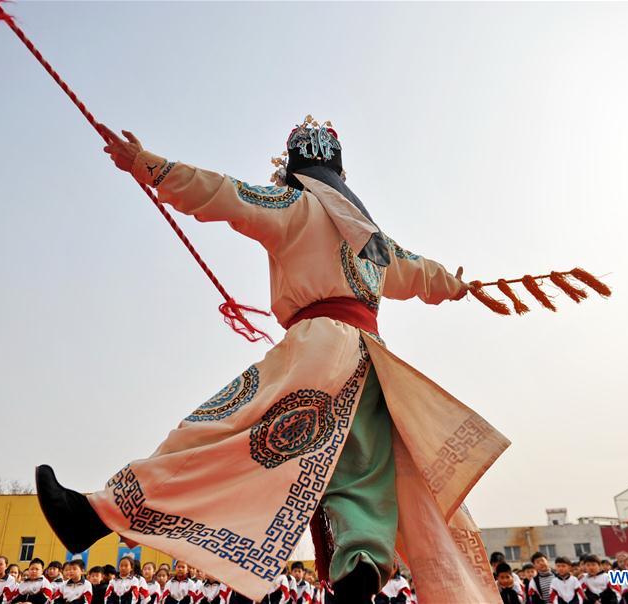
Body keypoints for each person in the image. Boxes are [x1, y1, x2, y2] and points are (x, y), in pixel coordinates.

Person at [35, 116, 508, 604]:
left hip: (318, 351)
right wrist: (457, 285)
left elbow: (225, 194)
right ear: (341, 174)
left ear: (292, 168)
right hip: (374, 366)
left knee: (225, 432)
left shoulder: (295, 204)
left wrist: (153, 168)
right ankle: (358, 576)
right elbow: (421, 274)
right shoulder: (374, 241)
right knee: (361, 479)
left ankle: (94, 515)